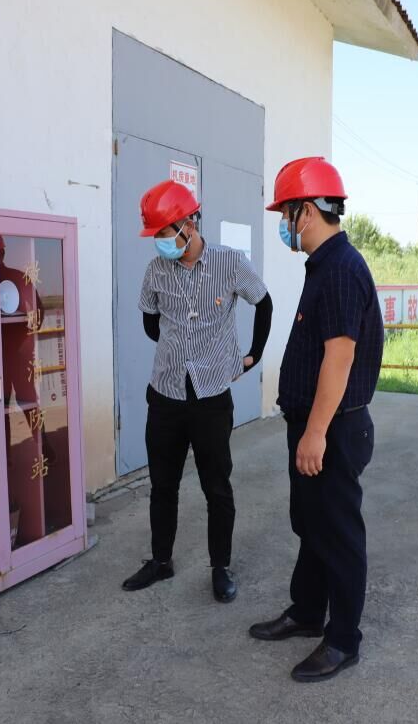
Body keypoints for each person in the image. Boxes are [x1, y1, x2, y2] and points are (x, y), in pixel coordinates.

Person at [248, 157, 383, 683]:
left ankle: (343, 640)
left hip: (334, 428)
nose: (283, 224)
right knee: (311, 524)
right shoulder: (324, 265)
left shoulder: (342, 269)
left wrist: (316, 432)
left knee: (339, 534)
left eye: (285, 213)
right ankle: (307, 611)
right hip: (316, 424)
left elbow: (340, 357)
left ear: (306, 211)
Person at [121, 180, 272, 604]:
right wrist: (177, 348)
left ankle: (220, 566)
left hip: (211, 400)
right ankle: (160, 561)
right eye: (155, 235)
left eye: (164, 233)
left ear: (189, 224)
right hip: (165, 394)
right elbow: (150, 321)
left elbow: (263, 302)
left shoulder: (230, 263)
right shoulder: (156, 270)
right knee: (162, 485)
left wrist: (253, 355)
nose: (160, 242)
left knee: (216, 486)